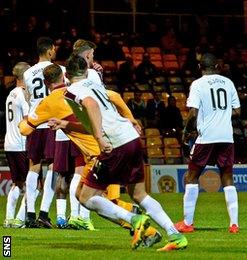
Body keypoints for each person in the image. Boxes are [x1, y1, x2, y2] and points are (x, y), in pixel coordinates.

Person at [57, 55, 187, 251]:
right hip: (131, 138)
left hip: (114, 145)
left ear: (66, 75)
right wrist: (66, 124)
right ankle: (175, 236)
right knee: (139, 194)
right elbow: (95, 121)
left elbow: (92, 107)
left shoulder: (70, 92)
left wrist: (100, 139)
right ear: (86, 71)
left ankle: (134, 219)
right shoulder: (96, 85)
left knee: (85, 197)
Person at [174, 53, 241, 234]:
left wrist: (187, 131)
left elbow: (193, 113)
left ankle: (188, 223)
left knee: (191, 176)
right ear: (217, 66)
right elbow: (237, 111)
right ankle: (234, 224)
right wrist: (221, 116)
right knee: (227, 177)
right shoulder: (228, 83)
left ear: (200, 67)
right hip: (226, 137)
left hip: (207, 137)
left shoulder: (198, 84)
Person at [22, 37, 60, 228]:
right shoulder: (58, 70)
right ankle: (44, 214)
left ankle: (29, 215)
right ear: (49, 50)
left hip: (35, 123)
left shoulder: (28, 73)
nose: (55, 51)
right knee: (54, 167)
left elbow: (28, 98)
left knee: (33, 167)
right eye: (54, 48)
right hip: (53, 123)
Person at [4, 62, 30, 228]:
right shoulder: (23, 95)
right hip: (21, 144)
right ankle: (21, 219)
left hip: (9, 144)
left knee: (17, 183)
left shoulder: (11, 94)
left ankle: (8, 218)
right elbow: (28, 122)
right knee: (31, 185)